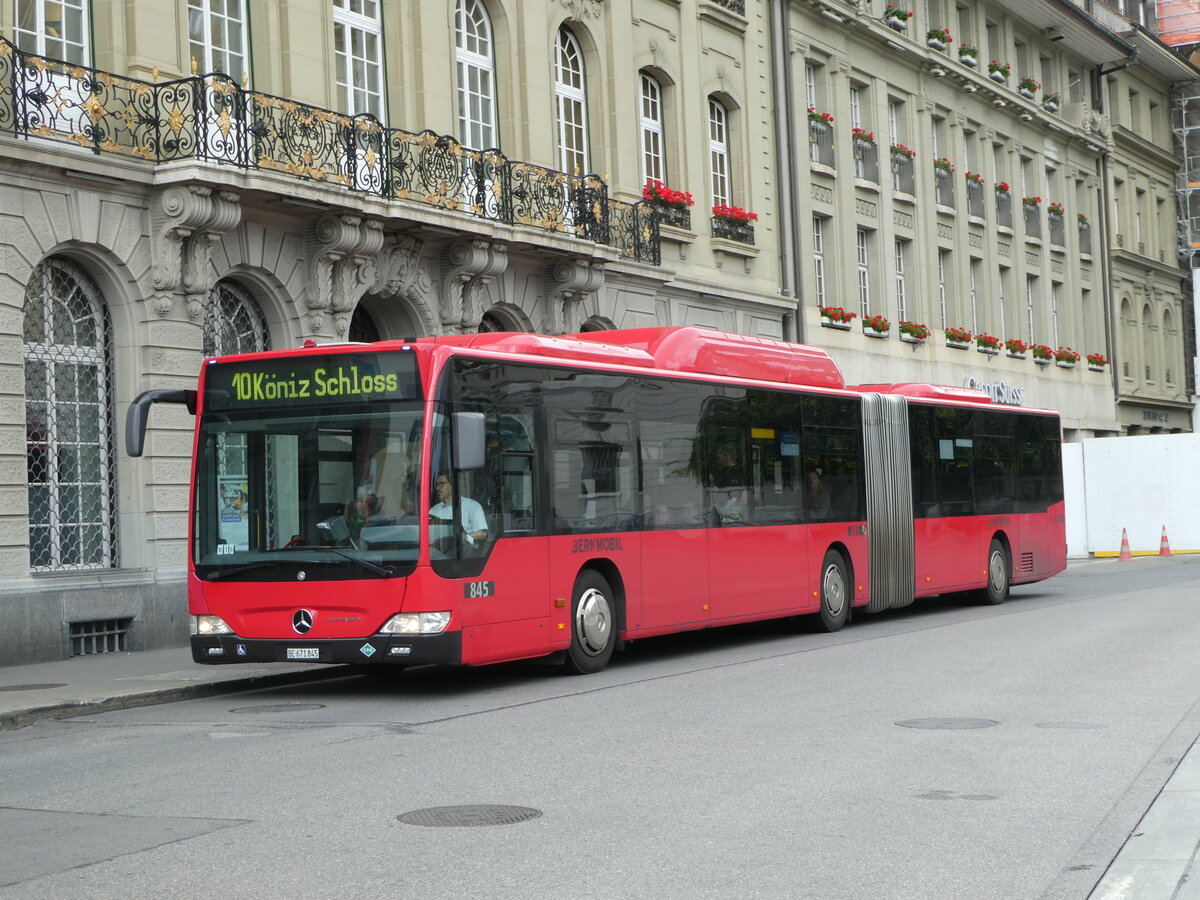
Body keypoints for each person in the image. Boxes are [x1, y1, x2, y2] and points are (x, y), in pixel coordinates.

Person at [429, 474, 489, 551]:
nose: (437, 488)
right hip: (439, 555)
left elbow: (483, 534)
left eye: (442, 483)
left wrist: (462, 538)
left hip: (465, 555)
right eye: (437, 484)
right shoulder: (433, 510)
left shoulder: (472, 506)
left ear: (453, 485)